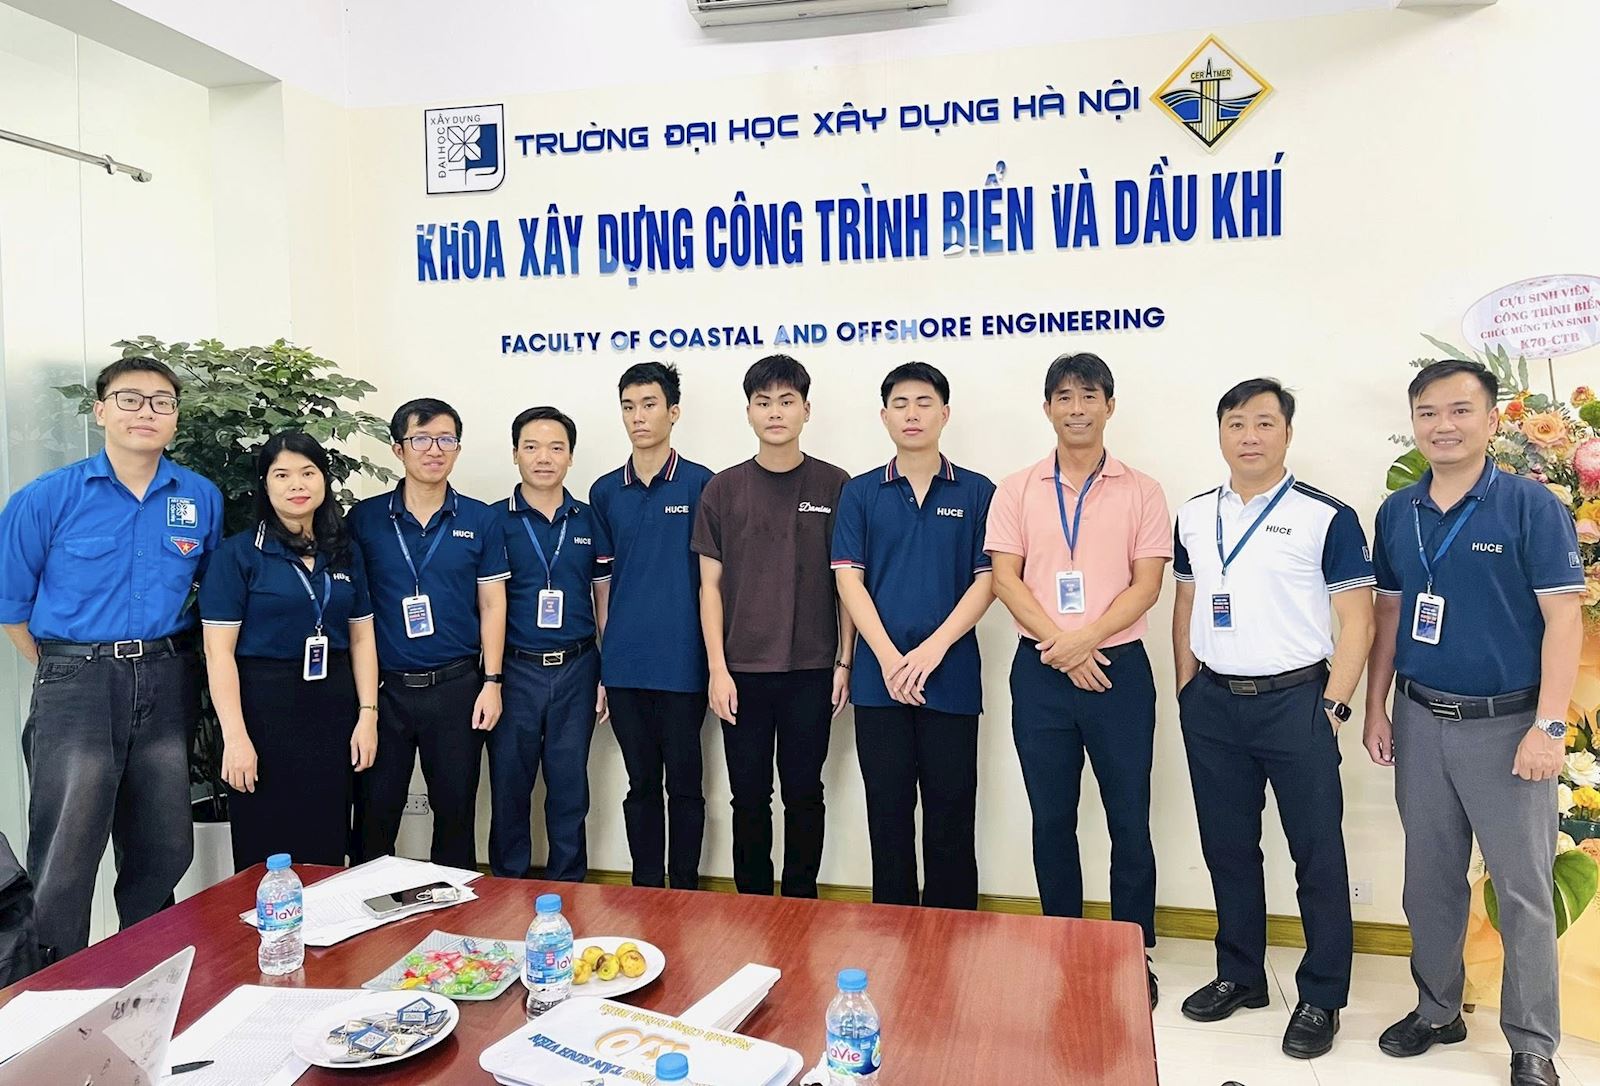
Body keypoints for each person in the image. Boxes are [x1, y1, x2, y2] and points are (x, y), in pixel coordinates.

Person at [1366, 360, 1580, 1086]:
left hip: (1509, 726)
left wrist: (1549, 727)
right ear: (1414, 423)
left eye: (1460, 410)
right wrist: (1377, 705)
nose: (1443, 425)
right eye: (1428, 412)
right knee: (1429, 881)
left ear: (1491, 420)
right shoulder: (1398, 512)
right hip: (1421, 718)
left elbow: (1563, 620)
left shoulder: (1530, 506)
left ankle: (1533, 1041)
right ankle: (1437, 1011)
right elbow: (1390, 614)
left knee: (1522, 890)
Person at [1170, 378, 1375, 1058]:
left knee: (1316, 852)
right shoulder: (1194, 514)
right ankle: (1240, 975)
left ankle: (1322, 995)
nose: (1249, 436)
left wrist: (1334, 706)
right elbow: (1187, 602)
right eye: (1236, 423)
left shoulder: (1326, 515)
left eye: (1264, 422)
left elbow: (1358, 619)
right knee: (1227, 847)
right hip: (1213, 703)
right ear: (1220, 433)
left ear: (1288, 432)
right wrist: (1187, 687)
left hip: (1297, 703)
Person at [0, 357, 222, 961]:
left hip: (166, 677)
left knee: (162, 845)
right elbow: (11, 606)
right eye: (130, 399)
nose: (146, 412)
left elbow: (212, 593)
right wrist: (66, 667)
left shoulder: (199, 497)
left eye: (162, 401)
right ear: (100, 411)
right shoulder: (47, 497)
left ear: (175, 417)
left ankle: (150, 973)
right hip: (77, 681)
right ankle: (50, 989)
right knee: (66, 851)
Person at [984, 351, 1169, 1006]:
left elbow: (1147, 585)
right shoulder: (1016, 489)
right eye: (1063, 397)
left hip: (1119, 672)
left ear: (1109, 406)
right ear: (1047, 409)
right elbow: (1005, 578)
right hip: (1040, 672)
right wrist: (1062, 647)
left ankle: (1132, 951)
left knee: (1129, 819)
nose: (1077, 408)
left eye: (1089, 396)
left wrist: (1084, 641)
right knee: (1051, 817)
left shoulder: (1143, 490)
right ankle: (1063, 941)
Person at [831, 362, 995, 909]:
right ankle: (894, 934)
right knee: (888, 816)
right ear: (884, 417)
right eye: (900, 404)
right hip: (880, 683)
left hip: (950, 679)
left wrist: (931, 651)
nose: (912, 414)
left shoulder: (977, 491)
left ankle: (954, 933)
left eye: (924, 403)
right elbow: (848, 580)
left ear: (945, 414)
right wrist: (888, 658)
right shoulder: (860, 493)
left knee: (952, 815)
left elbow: (989, 580)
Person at [692, 354, 853, 898]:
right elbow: (709, 587)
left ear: (807, 409)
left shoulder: (835, 485)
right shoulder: (723, 489)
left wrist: (844, 661)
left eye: (787, 401)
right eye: (764, 402)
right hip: (741, 671)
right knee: (748, 797)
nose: (776, 412)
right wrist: (717, 669)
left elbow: (847, 585)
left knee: (805, 793)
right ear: (749, 412)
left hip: (812, 669)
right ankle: (753, 904)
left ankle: (802, 902)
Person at [199, 432, 381, 872]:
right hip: (263, 712)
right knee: (264, 851)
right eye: (282, 475)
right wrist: (235, 738)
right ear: (265, 484)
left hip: (332, 710)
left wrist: (368, 715)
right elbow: (218, 654)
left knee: (326, 843)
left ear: (324, 480)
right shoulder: (238, 555)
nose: (296, 484)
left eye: (307, 472)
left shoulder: (344, 552)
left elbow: (361, 638)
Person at [347, 398, 509, 870]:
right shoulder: (365, 520)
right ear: (398, 449)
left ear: (457, 448)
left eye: (445, 439)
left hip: (457, 688)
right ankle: (367, 908)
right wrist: (365, 706)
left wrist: (492, 681)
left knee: (456, 815)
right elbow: (353, 612)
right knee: (375, 814)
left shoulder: (480, 519)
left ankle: (452, 910)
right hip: (386, 690)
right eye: (421, 439)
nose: (434, 450)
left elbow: (492, 603)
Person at [589, 363, 715, 890]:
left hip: (684, 664)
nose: (638, 417)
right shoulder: (604, 491)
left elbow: (714, 583)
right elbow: (602, 585)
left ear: (673, 412)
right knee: (640, 783)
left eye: (649, 405)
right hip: (625, 667)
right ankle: (645, 889)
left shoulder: (703, 483)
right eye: (628, 406)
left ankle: (684, 888)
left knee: (685, 785)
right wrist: (605, 660)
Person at [488, 407, 612, 881]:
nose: (544, 458)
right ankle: (507, 886)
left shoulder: (589, 520)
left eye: (556, 447)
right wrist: (491, 679)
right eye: (532, 447)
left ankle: (569, 886)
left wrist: (606, 672)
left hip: (577, 668)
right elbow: (485, 604)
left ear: (571, 457)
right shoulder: (492, 521)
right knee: (509, 786)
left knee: (569, 788)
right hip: (515, 670)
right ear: (515, 453)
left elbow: (603, 599)